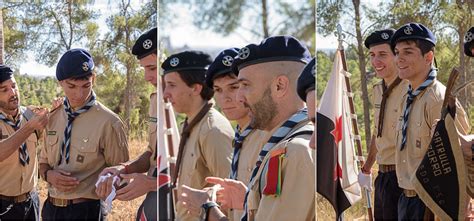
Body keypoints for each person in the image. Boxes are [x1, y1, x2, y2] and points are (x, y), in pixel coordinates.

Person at [179, 36, 315, 221]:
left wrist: (207, 211)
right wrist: (249, 201)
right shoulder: (285, 142)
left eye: (245, 85)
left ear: (279, 86)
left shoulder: (295, 151)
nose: (238, 98)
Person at [391, 23, 471, 220]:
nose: (399, 58)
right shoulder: (406, 97)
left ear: (428, 57)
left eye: (408, 52)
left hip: (432, 204)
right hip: (406, 198)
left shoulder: (439, 100)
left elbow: (462, 163)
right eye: (396, 52)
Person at [39, 48, 130, 220]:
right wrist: (49, 175)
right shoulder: (52, 117)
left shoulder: (109, 122)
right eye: (71, 86)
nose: (79, 94)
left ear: (93, 79)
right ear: (60, 83)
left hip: (87, 211)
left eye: (86, 86)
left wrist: (111, 181)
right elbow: (43, 163)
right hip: (51, 210)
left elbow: (123, 173)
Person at [162, 50, 234, 221]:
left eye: (172, 85)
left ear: (195, 88)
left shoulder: (212, 131)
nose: (165, 94)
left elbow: (229, 202)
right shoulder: (191, 125)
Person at [95, 27, 158, 220]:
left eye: (153, 68)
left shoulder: (203, 120)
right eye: (145, 69)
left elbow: (206, 183)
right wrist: (125, 169)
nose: (147, 77)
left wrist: (151, 183)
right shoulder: (157, 100)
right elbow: (152, 153)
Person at [203, 47, 267, 221]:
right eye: (218, 90)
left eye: (234, 87)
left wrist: (209, 211)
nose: (225, 98)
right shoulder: (240, 135)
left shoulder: (268, 137)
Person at [358, 28, 405, 220]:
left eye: (382, 55)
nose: (376, 62)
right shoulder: (378, 89)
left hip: (404, 177)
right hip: (383, 176)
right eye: (372, 55)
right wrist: (368, 167)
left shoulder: (410, 88)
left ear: (397, 55)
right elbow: (379, 132)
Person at [0, 65, 49, 220]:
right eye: (4, 90)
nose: (13, 93)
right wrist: (28, 129)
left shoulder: (29, 115)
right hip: (3, 206)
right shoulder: (30, 124)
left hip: (31, 201)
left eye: (14, 86)